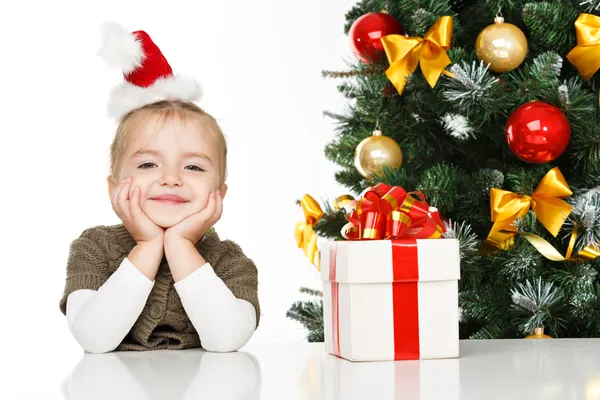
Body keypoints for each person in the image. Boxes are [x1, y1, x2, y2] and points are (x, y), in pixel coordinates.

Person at [58, 22, 260, 354]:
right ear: (115, 187)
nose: (170, 178)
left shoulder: (230, 262)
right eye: (148, 164)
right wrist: (148, 243)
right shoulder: (93, 249)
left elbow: (226, 341)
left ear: (219, 194)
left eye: (193, 166)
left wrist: (180, 243)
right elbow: (93, 338)